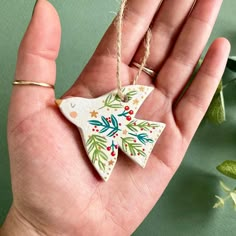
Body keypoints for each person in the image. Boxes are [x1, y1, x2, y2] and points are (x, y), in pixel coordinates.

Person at [0, 0, 230, 235]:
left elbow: (104, 154)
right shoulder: (92, 131)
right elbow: (102, 158)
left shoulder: (101, 113)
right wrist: (34, 225)